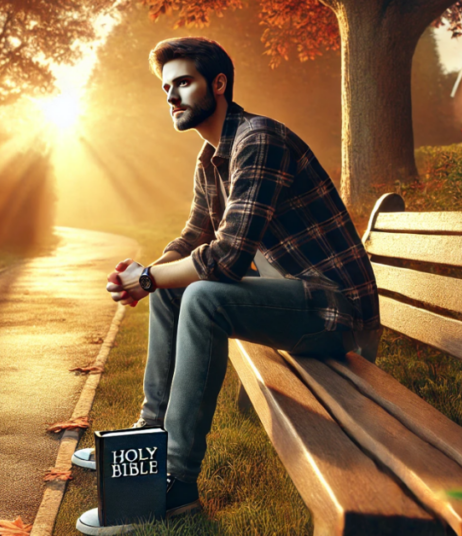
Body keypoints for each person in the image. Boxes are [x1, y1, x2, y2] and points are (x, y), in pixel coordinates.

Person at [75, 36, 382, 535]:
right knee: (179, 286)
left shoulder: (258, 140)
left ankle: (175, 484)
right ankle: (148, 441)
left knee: (204, 295)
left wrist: (149, 278)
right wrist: (144, 278)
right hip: (293, 302)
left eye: (183, 83)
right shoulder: (209, 158)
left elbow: (227, 258)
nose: (171, 97)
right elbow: (192, 238)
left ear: (218, 84)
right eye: (166, 88)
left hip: (335, 315)